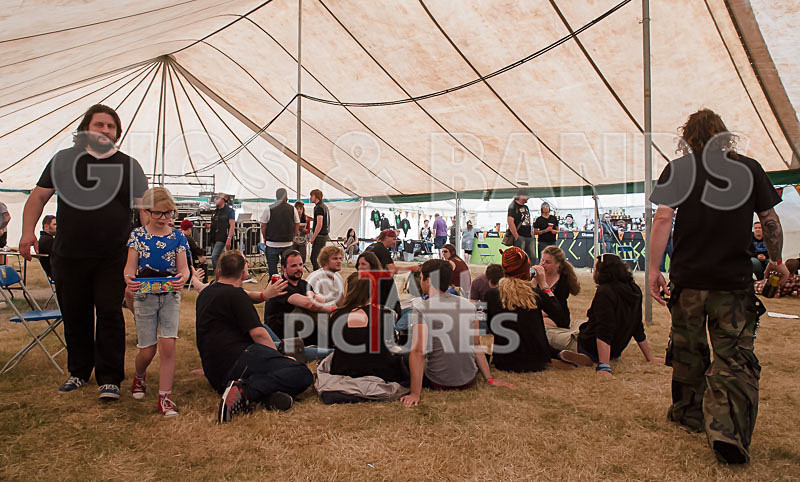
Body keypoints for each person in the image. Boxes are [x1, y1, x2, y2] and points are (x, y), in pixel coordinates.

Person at [648, 109, 787, 464]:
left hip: (688, 281)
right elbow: (769, 220)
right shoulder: (749, 168)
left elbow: (663, 217)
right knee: (734, 357)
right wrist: (776, 260)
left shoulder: (679, 169)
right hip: (733, 282)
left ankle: (689, 414)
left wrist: (653, 269)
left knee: (688, 350)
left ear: (688, 137)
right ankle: (728, 431)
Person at [19, 104, 148, 399]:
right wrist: (27, 232)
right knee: (75, 314)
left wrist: (149, 246)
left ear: (117, 133)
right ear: (85, 129)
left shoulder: (129, 166)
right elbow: (38, 198)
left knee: (109, 314)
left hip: (112, 256)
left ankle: (110, 379)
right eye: (99, 124)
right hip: (69, 255)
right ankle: (78, 372)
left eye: (111, 126)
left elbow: (145, 209)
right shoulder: (63, 160)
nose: (105, 130)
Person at [195, 250, 313, 423]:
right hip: (238, 360)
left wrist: (265, 295)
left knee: (279, 371)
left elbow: (250, 296)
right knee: (301, 373)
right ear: (243, 273)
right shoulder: (236, 295)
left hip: (215, 376)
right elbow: (258, 333)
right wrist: (279, 358)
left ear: (220, 270)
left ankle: (264, 396)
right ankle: (245, 391)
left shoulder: (207, 293)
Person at [400, 259, 515, 407]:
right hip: (469, 380)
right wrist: (489, 379)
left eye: (421, 277)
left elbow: (418, 352)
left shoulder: (422, 309)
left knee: (405, 356)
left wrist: (415, 393)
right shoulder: (468, 306)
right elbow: (476, 345)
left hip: (438, 381)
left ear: (428, 281)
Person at [123, 187, 190, 417]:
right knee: (148, 350)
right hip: (144, 296)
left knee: (168, 345)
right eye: (158, 213)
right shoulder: (137, 236)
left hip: (170, 296)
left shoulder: (178, 237)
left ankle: (165, 397)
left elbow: (184, 269)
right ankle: (139, 376)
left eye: (168, 213)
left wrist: (183, 278)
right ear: (147, 211)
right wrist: (129, 279)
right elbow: (130, 267)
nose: (164, 218)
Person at [485, 247, 592, 372]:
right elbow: (559, 314)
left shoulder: (490, 295)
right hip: (538, 358)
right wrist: (544, 286)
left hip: (505, 360)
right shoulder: (535, 294)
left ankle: (556, 354)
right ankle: (557, 354)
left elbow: (483, 327)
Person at [548, 254, 660, 367]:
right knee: (578, 323)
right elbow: (637, 326)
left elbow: (604, 330)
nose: (594, 272)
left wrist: (604, 366)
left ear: (602, 271)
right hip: (615, 349)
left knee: (546, 332)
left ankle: (586, 356)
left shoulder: (605, 292)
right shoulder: (634, 289)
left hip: (588, 346)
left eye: (595, 268)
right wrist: (649, 357)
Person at [263, 249, 335, 346]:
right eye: (294, 266)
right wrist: (334, 310)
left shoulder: (304, 284)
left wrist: (319, 298)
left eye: (300, 265)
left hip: (301, 331)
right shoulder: (280, 286)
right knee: (304, 311)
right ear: (284, 268)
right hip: (281, 336)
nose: (299, 268)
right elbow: (310, 304)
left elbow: (316, 299)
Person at [539, 245, 581, 330]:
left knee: (538, 323)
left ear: (558, 264)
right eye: (542, 260)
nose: (543, 264)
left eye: (547, 262)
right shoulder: (537, 276)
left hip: (557, 316)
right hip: (539, 313)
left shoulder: (563, 280)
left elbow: (556, 308)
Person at [260, 188, 300, 276]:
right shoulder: (292, 209)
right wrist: (293, 236)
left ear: (276, 196)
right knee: (288, 269)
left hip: (272, 243)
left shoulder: (269, 208)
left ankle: (274, 283)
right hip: (288, 243)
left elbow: (263, 225)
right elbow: (297, 223)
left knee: (272, 271)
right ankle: (287, 283)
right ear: (286, 196)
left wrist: (265, 238)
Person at [356, 251, 402, 318]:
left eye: (363, 264)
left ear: (372, 265)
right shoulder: (356, 280)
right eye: (358, 264)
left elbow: (394, 303)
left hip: (385, 313)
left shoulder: (386, 279)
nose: (359, 267)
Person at [507, 188, 535, 263]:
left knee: (531, 258)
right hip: (520, 236)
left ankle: (530, 269)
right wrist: (516, 236)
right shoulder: (513, 206)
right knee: (520, 258)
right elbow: (510, 221)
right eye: (527, 196)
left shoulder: (526, 207)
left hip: (528, 236)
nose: (528, 198)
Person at [209, 193, 235, 271]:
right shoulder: (216, 211)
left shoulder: (230, 211)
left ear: (223, 200)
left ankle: (218, 273)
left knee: (214, 256)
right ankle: (222, 273)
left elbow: (232, 225)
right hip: (214, 236)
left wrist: (229, 238)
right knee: (220, 257)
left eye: (217, 198)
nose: (215, 200)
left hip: (223, 237)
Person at [308, 189, 330, 271]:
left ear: (316, 196)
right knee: (320, 258)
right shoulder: (324, 206)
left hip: (320, 236)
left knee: (313, 258)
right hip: (323, 236)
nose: (310, 198)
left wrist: (313, 238)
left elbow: (319, 224)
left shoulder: (319, 208)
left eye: (311, 196)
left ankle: (318, 274)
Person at [292, 201, 312, 266]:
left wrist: (304, 230)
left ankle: (301, 268)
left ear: (303, 210)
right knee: (294, 257)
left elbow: (308, 230)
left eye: (300, 209)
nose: (299, 211)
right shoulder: (292, 217)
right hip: (294, 241)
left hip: (303, 241)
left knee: (302, 258)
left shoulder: (306, 218)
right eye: (297, 209)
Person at [37, 214, 56, 279]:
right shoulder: (47, 240)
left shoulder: (45, 239)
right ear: (46, 226)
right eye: (55, 224)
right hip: (58, 274)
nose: (58, 227)